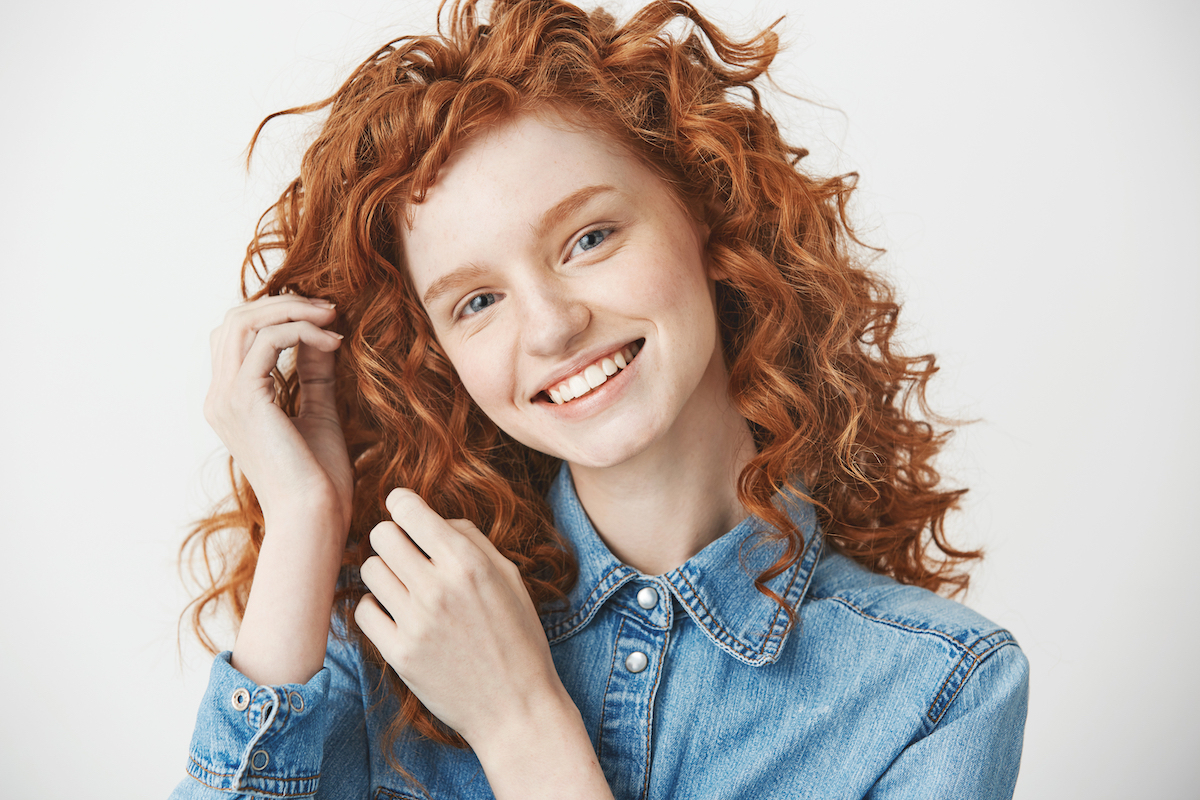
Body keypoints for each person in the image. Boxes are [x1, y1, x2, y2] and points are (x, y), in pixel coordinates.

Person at [174, 0, 1029, 797]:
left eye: (588, 238)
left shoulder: (938, 689)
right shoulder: (391, 633)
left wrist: (520, 726)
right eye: (478, 301)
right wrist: (303, 521)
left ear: (704, 211)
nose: (551, 327)